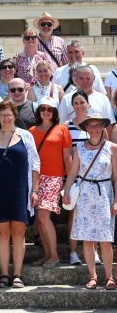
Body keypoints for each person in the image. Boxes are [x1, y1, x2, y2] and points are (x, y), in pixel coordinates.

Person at [0, 100, 40, 288]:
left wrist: (34, 190)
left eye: (9, 114)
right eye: (3, 115)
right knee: (2, 233)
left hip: (20, 191)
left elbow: (36, 165)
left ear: (15, 116)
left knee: (18, 233)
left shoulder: (26, 136)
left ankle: (17, 275)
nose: (6, 118)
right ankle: (4, 274)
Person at [62, 114, 117, 290]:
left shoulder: (112, 148)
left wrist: (116, 201)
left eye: (97, 125)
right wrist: (66, 191)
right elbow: (72, 173)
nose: (94, 129)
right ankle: (92, 276)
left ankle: (109, 277)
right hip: (85, 195)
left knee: (105, 239)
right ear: (86, 128)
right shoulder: (79, 148)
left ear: (103, 127)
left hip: (104, 195)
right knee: (87, 239)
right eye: (90, 126)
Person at [29, 97, 72, 268]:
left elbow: (68, 158)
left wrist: (68, 183)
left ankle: (54, 256)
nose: (46, 112)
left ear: (54, 112)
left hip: (54, 178)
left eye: (50, 109)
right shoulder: (31, 131)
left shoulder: (62, 129)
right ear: (38, 111)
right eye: (43, 108)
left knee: (43, 216)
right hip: (35, 178)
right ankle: (47, 255)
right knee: (39, 220)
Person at [64, 90, 91, 266]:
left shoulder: (96, 124)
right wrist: (71, 179)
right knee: (73, 215)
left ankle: (93, 252)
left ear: (88, 104)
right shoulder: (66, 125)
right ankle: (73, 252)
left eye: (82, 102)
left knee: (92, 214)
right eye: (76, 103)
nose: (79, 105)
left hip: (94, 178)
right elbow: (67, 155)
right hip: (75, 177)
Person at [58, 65, 114, 131]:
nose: (85, 81)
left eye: (88, 78)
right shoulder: (66, 99)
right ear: (75, 79)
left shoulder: (103, 99)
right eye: (81, 78)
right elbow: (61, 124)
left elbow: (109, 125)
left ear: (94, 79)